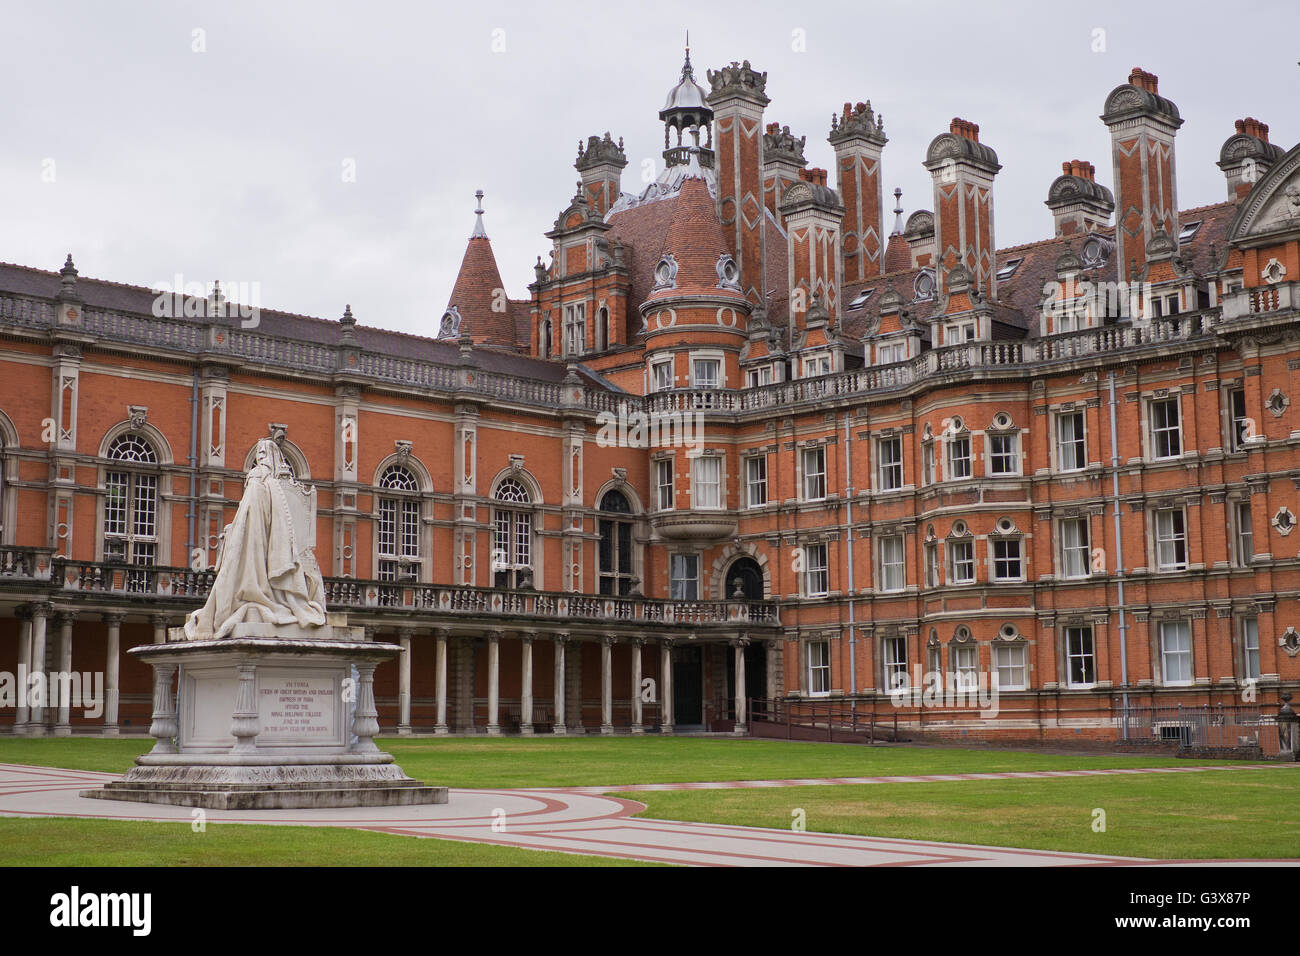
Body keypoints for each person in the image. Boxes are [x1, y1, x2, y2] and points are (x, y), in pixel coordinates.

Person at [185, 438, 326, 639]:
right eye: (258, 453)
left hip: (256, 539)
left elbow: (251, 514)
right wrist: (235, 529)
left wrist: (236, 531)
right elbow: (247, 514)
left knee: (236, 568)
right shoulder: (264, 481)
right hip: (254, 538)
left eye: (263, 453)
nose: (260, 457)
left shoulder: (260, 479)